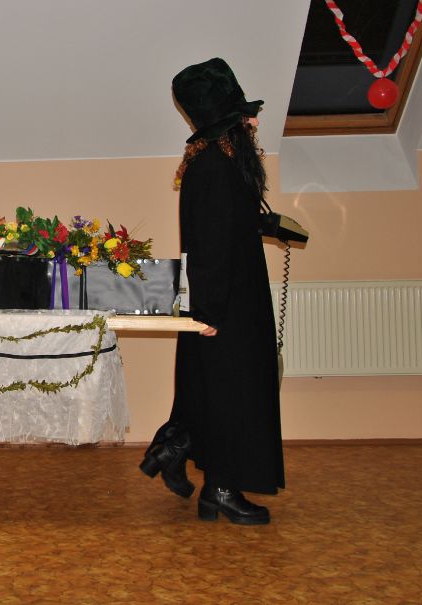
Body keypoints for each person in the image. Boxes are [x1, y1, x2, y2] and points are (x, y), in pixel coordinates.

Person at [140, 58, 284, 525]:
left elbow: (224, 227)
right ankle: (220, 489)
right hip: (225, 305)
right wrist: (210, 315)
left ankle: (182, 456)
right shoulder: (215, 168)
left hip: (228, 299)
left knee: (216, 392)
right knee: (231, 395)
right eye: (245, 117)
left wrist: (263, 225)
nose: (254, 123)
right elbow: (211, 246)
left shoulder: (217, 164)